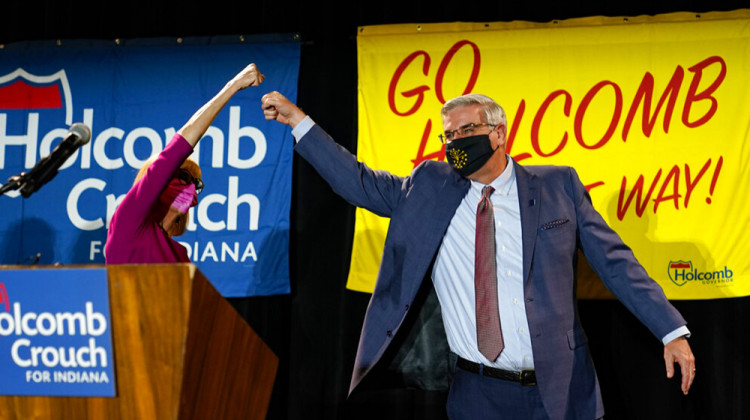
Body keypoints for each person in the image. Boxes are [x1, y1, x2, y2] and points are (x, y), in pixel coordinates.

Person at [262, 91, 696, 420]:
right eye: (448, 134)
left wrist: (670, 331)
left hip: (562, 386)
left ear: (499, 133)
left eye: (466, 131)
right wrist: (299, 121)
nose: (456, 142)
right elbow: (356, 181)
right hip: (478, 393)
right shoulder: (429, 187)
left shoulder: (557, 186)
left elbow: (616, 263)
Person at [105, 63, 264, 264]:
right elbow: (179, 147)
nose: (190, 188)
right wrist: (233, 86)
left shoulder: (180, 255)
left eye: (196, 183)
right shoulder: (128, 222)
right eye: (184, 176)